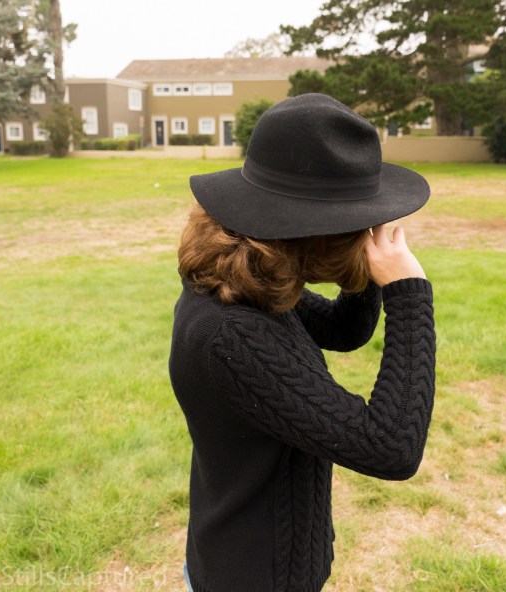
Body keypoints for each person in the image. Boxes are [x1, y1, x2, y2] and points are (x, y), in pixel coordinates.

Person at [169, 93, 437, 592]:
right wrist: (409, 294)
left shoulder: (238, 282)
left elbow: (343, 330)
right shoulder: (233, 334)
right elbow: (393, 447)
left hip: (245, 558)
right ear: (309, 231)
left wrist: (368, 274)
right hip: (254, 577)